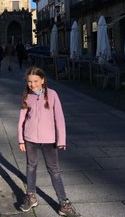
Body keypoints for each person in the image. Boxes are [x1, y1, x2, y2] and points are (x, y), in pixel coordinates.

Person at [18, 66, 81, 217]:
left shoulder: (52, 94)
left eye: (35, 81)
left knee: (54, 170)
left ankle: (63, 203)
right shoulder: (27, 96)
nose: (32, 84)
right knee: (31, 167)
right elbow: (21, 119)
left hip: (49, 139)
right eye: (29, 82)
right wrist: (21, 139)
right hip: (30, 138)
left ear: (43, 80)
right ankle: (31, 197)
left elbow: (59, 118)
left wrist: (62, 139)